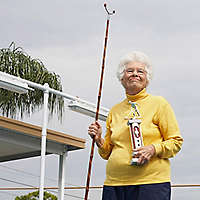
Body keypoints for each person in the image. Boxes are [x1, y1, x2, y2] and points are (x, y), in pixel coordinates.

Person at [88, 51, 183, 200]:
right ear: (122, 77)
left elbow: (176, 142)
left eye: (140, 71)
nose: (135, 74)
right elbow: (106, 153)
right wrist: (99, 140)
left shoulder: (159, 104)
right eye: (129, 71)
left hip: (152, 183)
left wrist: (153, 149)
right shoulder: (114, 110)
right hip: (114, 184)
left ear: (147, 78)